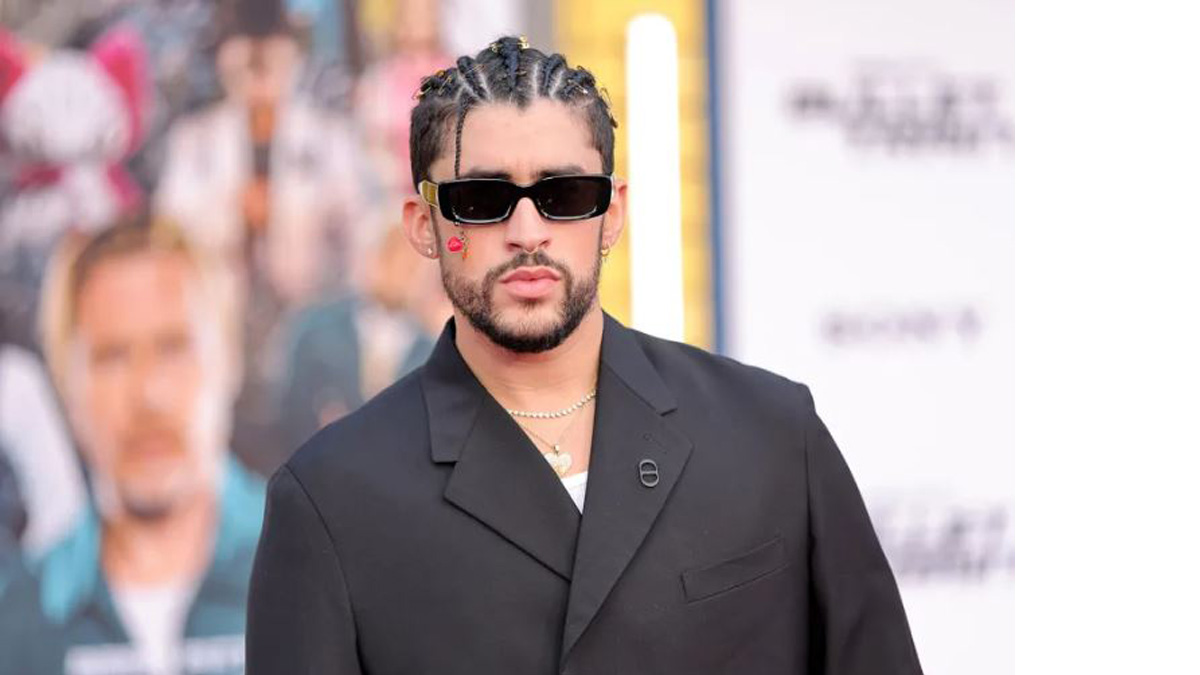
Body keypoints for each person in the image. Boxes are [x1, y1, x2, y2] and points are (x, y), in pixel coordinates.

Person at [247, 36, 923, 674]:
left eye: (564, 195)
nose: (527, 232)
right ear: (426, 225)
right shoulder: (330, 500)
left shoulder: (771, 433)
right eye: (481, 199)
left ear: (613, 213)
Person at [37, 214, 264, 675]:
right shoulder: (18, 614)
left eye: (174, 347)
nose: (148, 394)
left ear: (230, 361)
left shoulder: (328, 570)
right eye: (112, 357)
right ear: (66, 388)